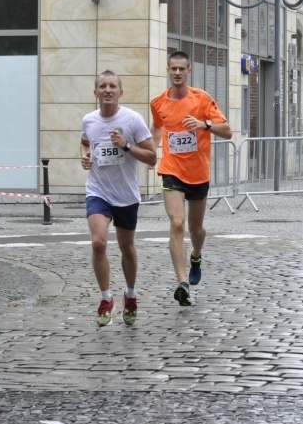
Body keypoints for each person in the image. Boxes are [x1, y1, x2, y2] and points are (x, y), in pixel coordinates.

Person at [150, 51, 232, 306]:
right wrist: (151, 152)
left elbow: (227, 131)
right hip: (171, 169)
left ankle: (196, 255)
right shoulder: (158, 102)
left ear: (188, 71)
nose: (176, 73)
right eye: (172, 69)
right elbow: (156, 126)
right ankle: (182, 283)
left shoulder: (202, 99)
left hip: (198, 173)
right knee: (177, 222)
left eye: (181, 69)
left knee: (196, 228)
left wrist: (203, 124)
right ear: (167, 71)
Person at [81, 71, 156, 327]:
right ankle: (105, 299)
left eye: (113, 86)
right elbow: (84, 142)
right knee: (98, 243)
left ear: (120, 92)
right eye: (103, 86)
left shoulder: (132, 119)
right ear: (96, 93)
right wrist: (85, 156)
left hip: (125, 194)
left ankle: (130, 295)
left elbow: (152, 157)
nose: (108, 90)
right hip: (98, 190)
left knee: (127, 247)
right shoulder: (89, 120)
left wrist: (125, 146)